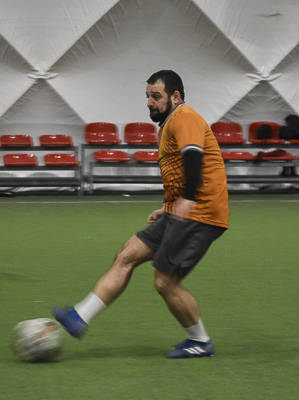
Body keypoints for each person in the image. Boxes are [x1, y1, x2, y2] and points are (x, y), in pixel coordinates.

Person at [53, 70, 229, 358]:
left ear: (176, 96)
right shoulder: (168, 125)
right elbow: (179, 170)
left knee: (165, 281)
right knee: (127, 254)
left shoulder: (184, 117)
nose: (149, 102)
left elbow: (193, 157)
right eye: (147, 96)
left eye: (156, 96)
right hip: (180, 209)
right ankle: (79, 316)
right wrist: (168, 205)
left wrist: (187, 198)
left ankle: (200, 341)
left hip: (200, 212)